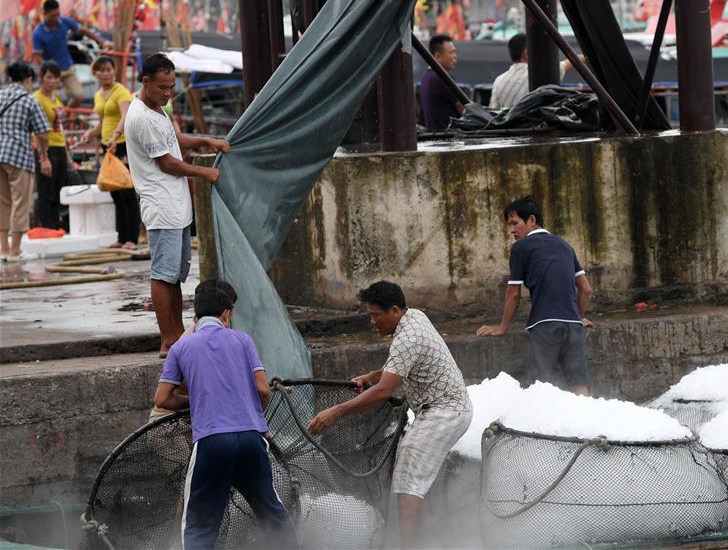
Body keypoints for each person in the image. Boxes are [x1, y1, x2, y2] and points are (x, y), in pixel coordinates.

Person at [308, 281, 472, 549]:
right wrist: (373, 375)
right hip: (442, 409)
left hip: (445, 412)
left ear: (395, 310)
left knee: (407, 475)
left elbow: (384, 391)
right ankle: (427, 537)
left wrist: (335, 412)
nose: (372, 321)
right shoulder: (414, 316)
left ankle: (409, 544)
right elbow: (398, 366)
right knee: (417, 478)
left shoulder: (408, 337)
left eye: (375, 315)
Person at [153, 279, 298, 549]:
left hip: (212, 441)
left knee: (198, 527)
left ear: (195, 316)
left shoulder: (181, 348)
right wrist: (255, 417)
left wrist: (196, 400)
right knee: (273, 514)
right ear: (226, 314)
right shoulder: (243, 339)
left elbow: (161, 399)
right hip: (251, 440)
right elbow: (263, 389)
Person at [124, 53, 229, 358]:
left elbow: (174, 140)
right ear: (146, 81)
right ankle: (168, 338)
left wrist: (206, 140)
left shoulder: (156, 109)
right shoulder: (141, 116)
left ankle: (176, 332)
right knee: (162, 274)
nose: (168, 93)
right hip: (162, 204)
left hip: (175, 205)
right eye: (162, 87)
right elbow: (167, 162)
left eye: (171, 86)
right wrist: (204, 172)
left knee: (174, 276)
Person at [476, 195, 593, 396]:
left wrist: (502, 328)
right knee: (579, 386)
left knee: (536, 388)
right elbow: (586, 289)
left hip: (545, 325)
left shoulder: (521, 248)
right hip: (573, 327)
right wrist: (578, 317)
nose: (512, 230)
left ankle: (537, 426)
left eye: (515, 223)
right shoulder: (565, 245)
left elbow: (513, 294)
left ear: (531, 220)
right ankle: (588, 425)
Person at [79, 56, 140, 250]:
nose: (106, 73)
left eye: (109, 69)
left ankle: (132, 237)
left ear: (114, 71)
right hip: (108, 146)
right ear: (95, 73)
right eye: (101, 70)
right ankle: (121, 237)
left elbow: (125, 116)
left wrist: (115, 136)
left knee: (127, 191)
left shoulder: (120, 91)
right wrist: (90, 133)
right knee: (114, 191)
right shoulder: (98, 95)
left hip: (121, 144)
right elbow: (103, 121)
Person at [0, 62, 51, 262]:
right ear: (28, 80)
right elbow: (43, 132)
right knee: (20, 203)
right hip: (18, 156)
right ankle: (15, 251)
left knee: (2, 203)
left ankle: (3, 249)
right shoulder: (29, 101)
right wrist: (43, 151)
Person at [31, 0, 112, 108]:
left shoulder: (64, 21)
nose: (56, 18)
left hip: (68, 68)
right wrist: (50, 76)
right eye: (53, 15)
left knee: (78, 97)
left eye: (58, 14)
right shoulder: (38, 33)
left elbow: (84, 31)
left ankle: (65, 118)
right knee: (50, 102)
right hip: (52, 73)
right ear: (45, 14)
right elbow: (38, 58)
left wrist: (102, 42)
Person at [489, 33, 579, 109]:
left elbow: (493, 111)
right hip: (536, 128)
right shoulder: (540, 73)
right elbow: (568, 63)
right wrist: (585, 56)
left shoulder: (499, 80)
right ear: (526, 54)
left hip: (509, 129)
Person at [32, 60, 68, 230]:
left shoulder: (57, 98)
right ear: (41, 78)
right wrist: (42, 157)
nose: (52, 81)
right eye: (49, 77)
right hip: (45, 148)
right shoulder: (36, 99)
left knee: (58, 189)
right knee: (45, 190)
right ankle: (46, 227)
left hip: (60, 146)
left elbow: (60, 127)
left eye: (55, 78)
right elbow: (35, 131)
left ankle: (55, 226)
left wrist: (66, 154)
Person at [419, 34, 465, 131]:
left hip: (432, 136)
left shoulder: (425, 77)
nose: (455, 56)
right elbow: (463, 109)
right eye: (451, 53)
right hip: (447, 138)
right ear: (438, 56)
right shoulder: (443, 78)